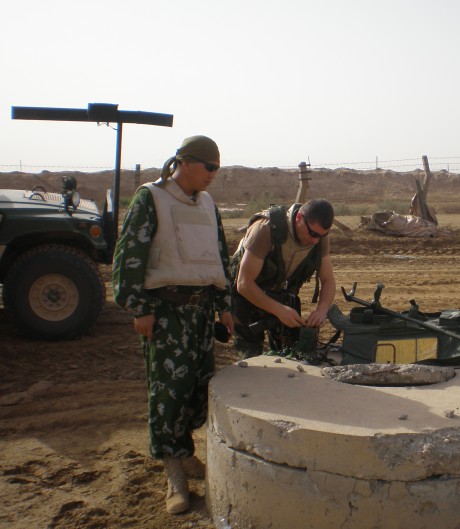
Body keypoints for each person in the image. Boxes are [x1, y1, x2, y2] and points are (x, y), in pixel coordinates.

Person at [112, 135, 235, 514]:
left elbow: (219, 256)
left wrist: (224, 306)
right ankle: (175, 475)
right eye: (209, 167)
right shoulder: (151, 198)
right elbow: (130, 255)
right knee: (168, 394)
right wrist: (139, 308)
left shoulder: (208, 204)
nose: (213, 174)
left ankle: (185, 453)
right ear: (185, 162)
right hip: (166, 314)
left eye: (217, 168)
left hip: (200, 314)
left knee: (198, 388)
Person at [230, 199, 336, 358]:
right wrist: (279, 310)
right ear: (299, 217)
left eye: (322, 235)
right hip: (248, 297)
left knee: (293, 356)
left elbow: (328, 280)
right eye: (313, 234)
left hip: (282, 297)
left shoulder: (319, 238)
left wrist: (322, 310)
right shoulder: (265, 229)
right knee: (249, 359)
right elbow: (244, 284)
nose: (315, 241)